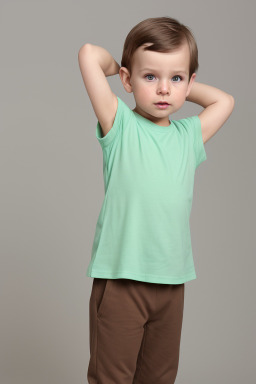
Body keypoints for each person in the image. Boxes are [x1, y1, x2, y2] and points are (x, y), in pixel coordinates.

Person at [78, 16, 234, 384]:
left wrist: (170, 80)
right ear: (129, 81)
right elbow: (88, 55)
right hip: (122, 280)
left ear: (190, 82)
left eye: (176, 79)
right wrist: (122, 70)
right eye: (151, 78)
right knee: (111, 377)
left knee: (159, 377)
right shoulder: (120, 125)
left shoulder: (187, 136)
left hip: (171, 283)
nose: (164, 89)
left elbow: (225, 101)